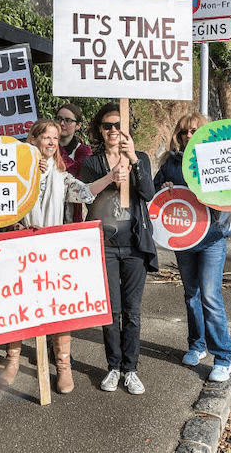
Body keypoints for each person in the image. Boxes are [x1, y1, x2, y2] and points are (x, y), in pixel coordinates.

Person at [0, 119, 125, 393]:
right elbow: (3, 199)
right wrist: (28, 169)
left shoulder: (61, 174)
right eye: (45, 137)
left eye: (55, 137)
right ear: (33, 140)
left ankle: (63, 367)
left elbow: (85, 192)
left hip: (50, 249)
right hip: (20, 245)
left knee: (57, 306)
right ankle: (13, 360)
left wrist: (111, 177)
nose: (51, 142)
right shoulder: (15, 171)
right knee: (17, 305)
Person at [152, 113, 231, 383]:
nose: (188, 135)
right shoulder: (171, 163)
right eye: (184, 132)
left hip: (212, 237)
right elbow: (153, 195)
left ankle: (223, 357)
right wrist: (164, 187)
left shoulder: (219, 157)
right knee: (191, 294)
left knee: (210, 296)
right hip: (184, 238)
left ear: (204, 132)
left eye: (194, 131)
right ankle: (196, 345)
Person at [80, 103, 158, 395]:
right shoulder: (93, 161)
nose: (112, 130)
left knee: (132, 311)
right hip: (105, 245)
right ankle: (113, 367)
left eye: (117, 125)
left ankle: (131, 369)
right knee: (111, 311)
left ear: (126, 128)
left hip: (135, 244)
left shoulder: (142, 158)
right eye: (106, 126)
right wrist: (111, 177)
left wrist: (134, 160)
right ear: (99, 130)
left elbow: (148, 194)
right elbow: (86, 195)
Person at [55, 103, 93, 223]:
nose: (61, 124)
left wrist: (55, 148)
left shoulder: (83, 151)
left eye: (67, 120)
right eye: (59, 119)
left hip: (70, 216)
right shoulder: (44, 146)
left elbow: (72, 173)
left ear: (78, 125)